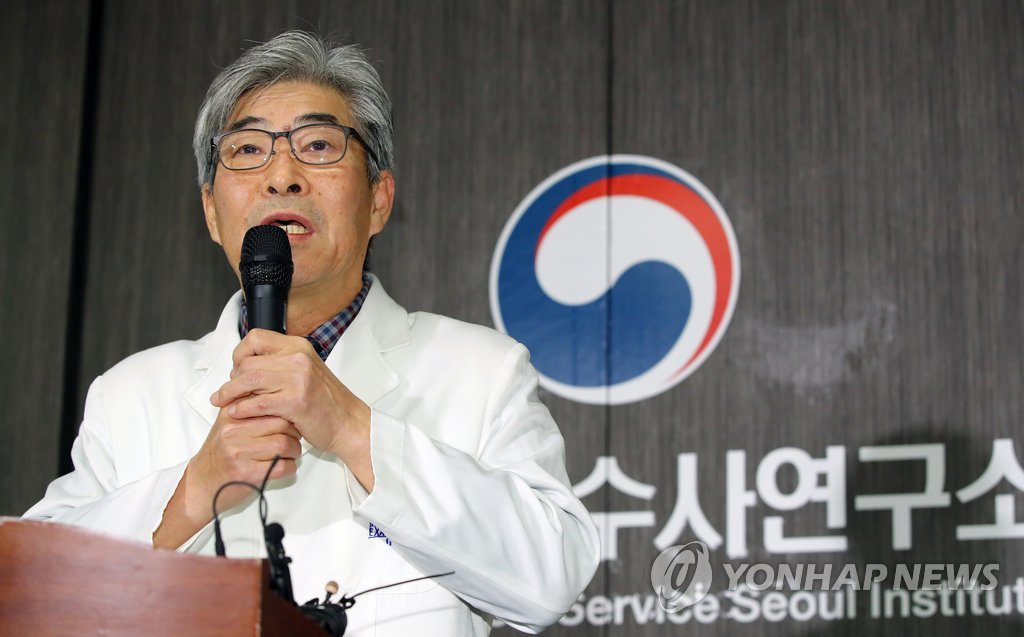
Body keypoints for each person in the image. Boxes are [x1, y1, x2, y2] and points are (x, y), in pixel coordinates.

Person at [25, 30, 599, 635]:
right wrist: (194, 490)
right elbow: (36, 594)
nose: (282, 176)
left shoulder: (481, 370)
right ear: (211, 212)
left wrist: (351, 427)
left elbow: (551, 579)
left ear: (379, 200)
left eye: (318, 145)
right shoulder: (130, 395)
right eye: (248, 149)